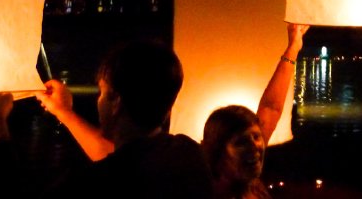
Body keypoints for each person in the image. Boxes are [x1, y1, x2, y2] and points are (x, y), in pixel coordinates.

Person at [29, 39, 213, 199]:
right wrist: (64, 112)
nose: (98, 100)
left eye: (102, 92)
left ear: (116, 100)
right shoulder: (189, 155)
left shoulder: (89, 187)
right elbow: (124, 157)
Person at [202, 23, 309, 199]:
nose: (255, 146)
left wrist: (293, 46)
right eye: (241, 142)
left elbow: (271, 107)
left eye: (257, 137)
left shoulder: (247, 183)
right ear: (216, 153)